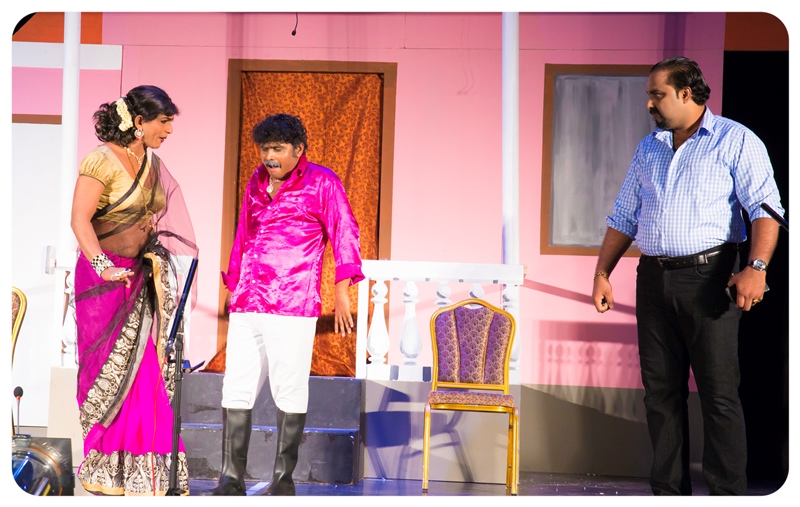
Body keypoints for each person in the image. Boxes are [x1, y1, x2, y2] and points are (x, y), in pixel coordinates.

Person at [591, 57, 784, 495]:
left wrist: (756, 267)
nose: (649, 104)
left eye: (657, 95)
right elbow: (624, 215)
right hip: (652, 280)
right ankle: (669, 495)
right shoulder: (650, 147)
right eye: (649, 95)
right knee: (660, 395)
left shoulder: (735, 140)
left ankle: (726, 496)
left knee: (718, 394)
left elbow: (765, 208)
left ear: (686, 93)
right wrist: (603, 272)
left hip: (709, 278)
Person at [201, 113, 364, 496]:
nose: (269, 156)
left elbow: (345, 231)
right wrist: (233, 283)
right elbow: (243, 234)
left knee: (288, 389)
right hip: (249, 300)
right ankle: (231, 479)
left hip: (292, 303)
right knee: (236, 388)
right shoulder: (256, 182)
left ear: (298, 149)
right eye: (264, 149)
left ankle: (282, 480)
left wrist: (342, 289)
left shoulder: (322, 182)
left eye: (277, 149)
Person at [70, 85, 198, 496]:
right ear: (139, 122)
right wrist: (103, 267)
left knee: (145, 375)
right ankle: (106, 467)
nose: (169, 130)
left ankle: (144, 473)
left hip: (139, 279)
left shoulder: (153, 163)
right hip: (103, 282)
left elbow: (156, 218)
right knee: (111, 374)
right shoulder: (101, 160)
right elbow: (79, 220)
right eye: (164, 122)